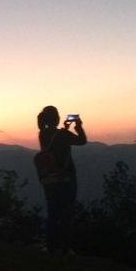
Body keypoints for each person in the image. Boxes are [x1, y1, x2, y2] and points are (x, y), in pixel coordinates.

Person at [37, 105, 87, 253]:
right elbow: (82, 141)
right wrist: (78, 126)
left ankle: (51, 245)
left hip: (50, 179)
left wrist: (65, 129)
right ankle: (64, 247)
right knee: (66, 211)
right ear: (58, 118)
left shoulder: (43, 134)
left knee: (53, 211)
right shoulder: (63, 135)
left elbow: (53, 139)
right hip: (66, 178)